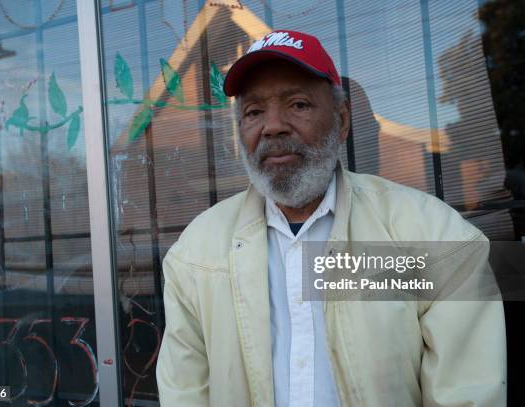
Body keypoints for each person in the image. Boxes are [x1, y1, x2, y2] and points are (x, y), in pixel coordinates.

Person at [156, 30, 506, 406]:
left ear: (341, 122)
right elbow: (185, 394)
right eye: (254, 112)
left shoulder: (434, 237)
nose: (273, 126)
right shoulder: (194, 255)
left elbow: (468, 396)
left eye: (299, 104)